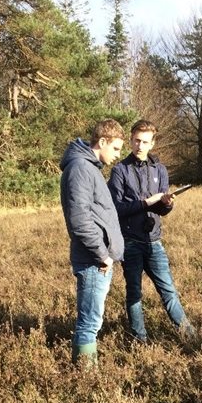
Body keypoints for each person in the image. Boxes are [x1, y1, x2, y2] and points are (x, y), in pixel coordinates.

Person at [108, 119, 195, 344]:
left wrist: (166, 203)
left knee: (169, 292)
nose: (140, 145)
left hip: (154, 241)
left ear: (152, 143)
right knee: (134, 293)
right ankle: (140, 341)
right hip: (130, 242)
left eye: (145, 142)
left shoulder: (160, 170)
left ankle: (190, 336)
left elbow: (162, 210)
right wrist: (147, 202)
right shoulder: (119, 171)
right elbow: (116, 209)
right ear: (130, 140)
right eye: (136, 140)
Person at [60, 119, 125, 365]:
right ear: (102, 142)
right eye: (116, 148)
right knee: (89, 323)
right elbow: (80, 220)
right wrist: (102, 254)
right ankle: (86, 380)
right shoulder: (80, 169)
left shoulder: (89, 168)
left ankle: (85, 374)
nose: (118, 155)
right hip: (93, 261)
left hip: (97, 259)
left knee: (92, 320)